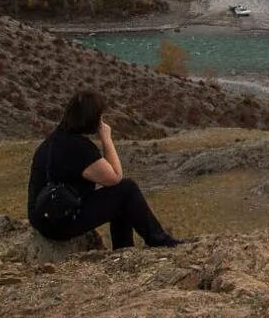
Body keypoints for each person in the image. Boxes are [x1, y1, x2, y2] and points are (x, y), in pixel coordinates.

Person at [27, 91, 181, 249]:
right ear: (92, 120)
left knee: (118, 197)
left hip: (44, 216)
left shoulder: (54, 140)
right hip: (60, 222)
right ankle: (160, 242)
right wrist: (106, 139)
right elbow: (115, 177)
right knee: (127, 189)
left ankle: (124, 249)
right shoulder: (79, 148)